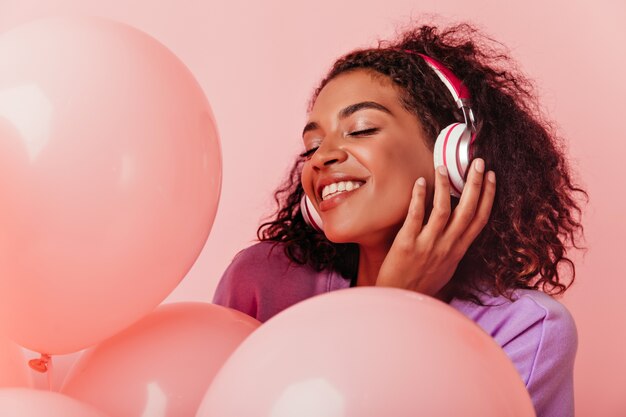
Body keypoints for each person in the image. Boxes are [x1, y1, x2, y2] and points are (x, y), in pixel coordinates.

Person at [213, 22, 585, 417]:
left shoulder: (525, 331)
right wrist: (393, 299)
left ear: (452, 156)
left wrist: (398, 308)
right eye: (313, 146)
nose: (322, 157)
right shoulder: (260, 282)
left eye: (362, 129)